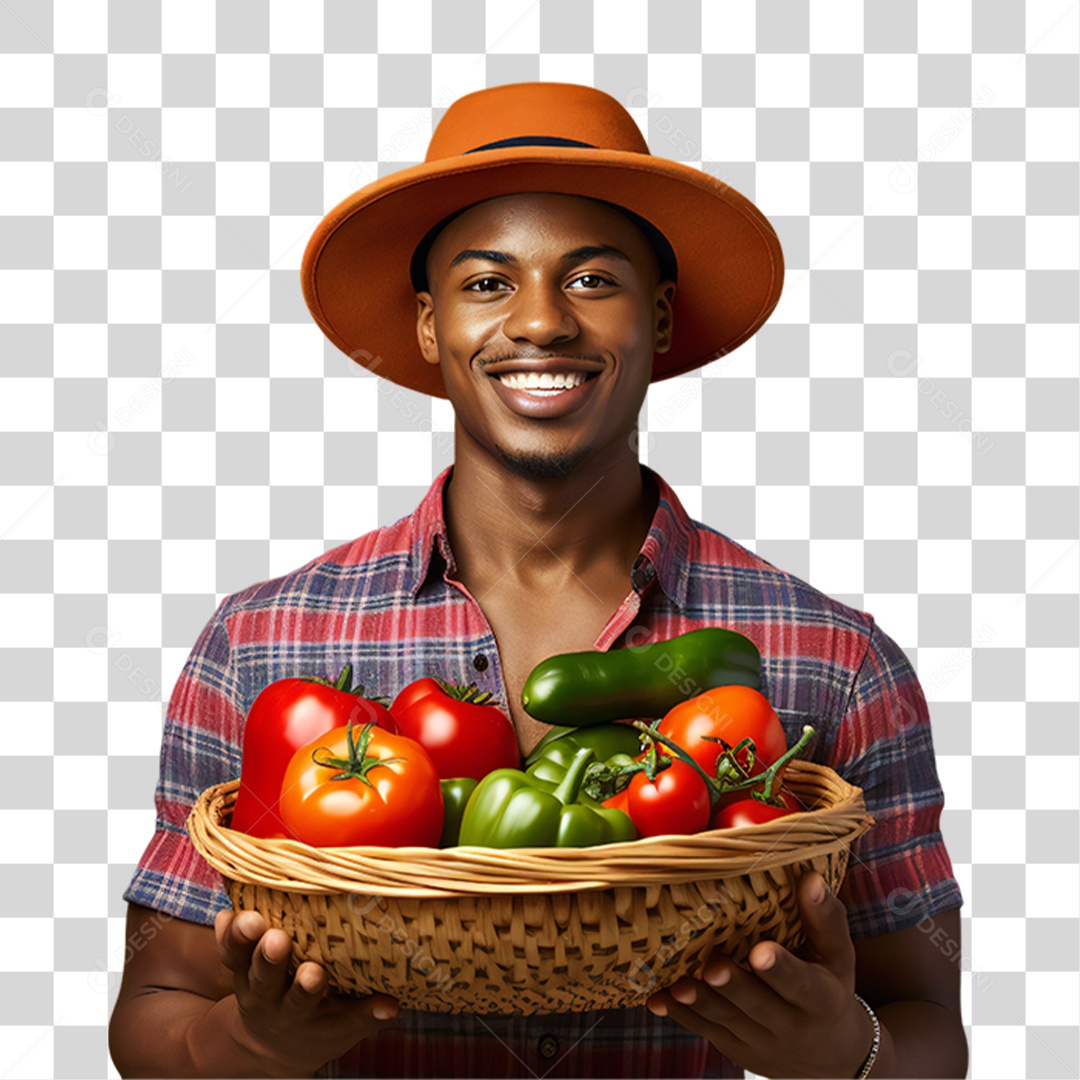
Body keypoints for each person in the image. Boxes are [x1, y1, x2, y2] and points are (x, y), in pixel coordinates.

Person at [108, 82, 967, 1079]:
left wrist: (847, 1054)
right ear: (429, 325)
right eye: (487, 283)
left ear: (659, 316)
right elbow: (152, 1012)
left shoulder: (837, 661)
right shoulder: (260, 643)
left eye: (592, 279)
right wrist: (250, 1044)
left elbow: (929, 1025)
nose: (542, 322)